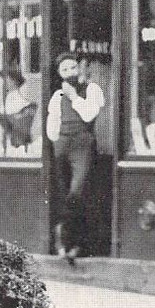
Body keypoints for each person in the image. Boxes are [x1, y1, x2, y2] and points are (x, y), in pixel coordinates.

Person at [46, 52, 105, 262]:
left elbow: (89, 114)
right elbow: (52, 124)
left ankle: (78, 241)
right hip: (62, 146)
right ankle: (63, 242)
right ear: (59, 73)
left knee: (76, 193)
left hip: (82, 145)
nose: (69, 72)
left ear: (79, 68)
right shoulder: (56, 96)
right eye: (64, 69)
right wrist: (56, 140)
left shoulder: (92, 89)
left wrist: (74, 97)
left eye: (72, 67)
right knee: (63, 195)